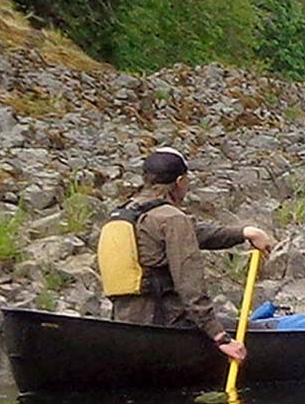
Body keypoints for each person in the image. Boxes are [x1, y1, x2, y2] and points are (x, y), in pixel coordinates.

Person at [97, 147, 273, 362]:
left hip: (125, 323)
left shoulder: (124, 214)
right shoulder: (171, 218)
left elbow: (194, 232)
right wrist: (221, 338)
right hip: (165, 324)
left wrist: (245, 233)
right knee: (254, 329)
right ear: (180, 181)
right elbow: (191, 288)